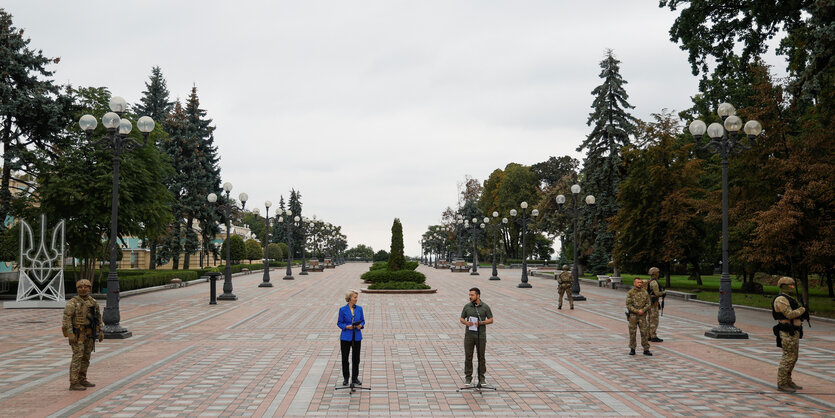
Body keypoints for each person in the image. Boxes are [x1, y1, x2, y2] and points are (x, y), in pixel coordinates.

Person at [62, 279, 104, 391]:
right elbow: (67, 319)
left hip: (89, 334)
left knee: (86, 357)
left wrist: (100, 331)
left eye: (86, 287)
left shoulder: (93, 302)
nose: (83, 289)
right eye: (80, 287)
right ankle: (74, 382)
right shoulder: (72, 303)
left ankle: (82, 378)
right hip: (77, 334)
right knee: (77, 357)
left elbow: (98, 317)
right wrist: (70, 333)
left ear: (89, 288)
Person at [772, 276, 806, 393]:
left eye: (793, 285)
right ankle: (782, 383)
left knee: (794, 357)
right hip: (787, 332)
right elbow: (789, 314)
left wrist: (802, 315)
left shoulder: (790, 298)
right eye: (790, 285)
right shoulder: (781, 299)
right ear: (783, 287)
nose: (792, 287)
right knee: (788, 358)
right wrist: (803, 310)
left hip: (794, 331)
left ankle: (788, 380)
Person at [459, 287, 493, 386]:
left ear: (478, 295)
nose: (470, 297)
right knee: (468, 357)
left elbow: (491, 320)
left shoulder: (485, 307)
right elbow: (461, 318)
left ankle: (481, 378)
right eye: (469, 295)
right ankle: (468, 378)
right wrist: (466, 322)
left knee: (481, 357)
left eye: (472, 295)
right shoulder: (467, 306)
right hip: (469, 336)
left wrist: (481, 322)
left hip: (481, 336)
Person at [337, 289, 365, 386]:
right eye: (355, 297)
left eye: (357, 297)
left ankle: (355, 378)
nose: (356, 299)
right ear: (349, 298)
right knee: (345, 358)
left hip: (356, 336)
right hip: (346, 337)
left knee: (356, 358)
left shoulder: (359, 309)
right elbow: (339, 323)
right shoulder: (342, 310)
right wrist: (346, 327)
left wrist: (361, 325)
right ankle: (346, 378)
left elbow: (362, 321)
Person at [626, 278, 652, 356]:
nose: (639, 284)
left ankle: (646, 349)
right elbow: (628, 305)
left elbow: (648, 304)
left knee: (644, 332)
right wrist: (637, 311)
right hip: (633, 316)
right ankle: (632, 349)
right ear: (634, 283)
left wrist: (643, 310)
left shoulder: (645, 292)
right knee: (632, 332)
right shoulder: (630, 293)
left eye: (640, 282)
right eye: (638, 282)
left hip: (642, 316)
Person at [646, 267, 666, 342]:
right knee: (654, 320)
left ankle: (649, 335)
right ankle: (653, 336)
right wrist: (663, 293)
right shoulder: (654, 283)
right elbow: (657, 293)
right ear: (654, 273)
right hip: (653, 303)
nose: (658, 274)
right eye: (658, 272)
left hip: (649, 302)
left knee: (649, 319)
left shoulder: (649, 281)